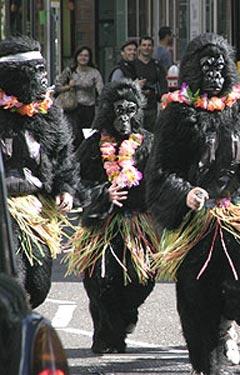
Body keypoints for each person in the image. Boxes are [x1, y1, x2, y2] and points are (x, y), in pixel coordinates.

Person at [146, 33, 240, 375]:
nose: (215, 73)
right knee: (197, 294)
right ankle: (207, 361)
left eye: (220, 66)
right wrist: (184, 192)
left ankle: (229, 319)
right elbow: (159, 172)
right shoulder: (177, 113)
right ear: (192, 70)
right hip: (196, 220)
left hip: (238, 210)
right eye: (206, 66)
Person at [66, 79, 159, 353]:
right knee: (98, 281)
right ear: (109, 111)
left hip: (137, 222)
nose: (124, 118)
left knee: (143, 280)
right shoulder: (94, 144)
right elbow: (74, 179)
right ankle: (106, 335)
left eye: (130, 111)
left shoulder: (148, 143)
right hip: (101, 224)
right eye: (119, 111)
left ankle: (126, 315)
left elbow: (159, 180)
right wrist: (102, 195)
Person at [0, 36, 78, 308]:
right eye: (36, 72)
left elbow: (64, 159)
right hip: (4, 209)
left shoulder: (49, 115)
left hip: (35, 209)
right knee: (14, 278)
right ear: (15, 77)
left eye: (44, 71)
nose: (44, 79)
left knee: (39, 284)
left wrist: (65, 189)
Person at [55, 46, 104, 149]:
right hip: (73, 107)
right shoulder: (70, 71)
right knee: (74, 134)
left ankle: (85, 159)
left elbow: (101, 90)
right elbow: (57, 87)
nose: (83, 58)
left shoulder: (94, 72)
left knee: (87, 135)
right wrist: (69, 86)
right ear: (76, 57)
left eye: (86, 55)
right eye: (81, 55)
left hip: (88, 108)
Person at [134, 36, 167, 132]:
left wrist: (163, 101)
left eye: (149, 45)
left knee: (151, 133)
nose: (146, 48)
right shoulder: (133, 65)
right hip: (136, 105)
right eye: (144, 45)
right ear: (139, 47)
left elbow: (163, 85)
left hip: (152, 106)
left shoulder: (157, 66)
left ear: (152, 48)